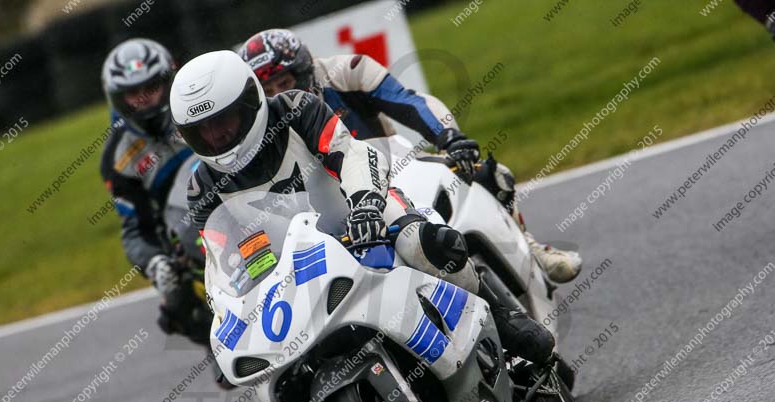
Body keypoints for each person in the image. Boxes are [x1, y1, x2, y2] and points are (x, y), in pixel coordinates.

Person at [170, 50, 556, 368]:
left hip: (359, 211)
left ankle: (502, 321)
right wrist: (232, 302)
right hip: (295, 265)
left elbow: (350, 154)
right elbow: (223, 259)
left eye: (224, 121)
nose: (216, 135)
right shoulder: (202, 187)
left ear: (249, 102)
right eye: (202, 130)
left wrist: (366, 205)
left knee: (421, 242)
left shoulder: (297, 109)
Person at [237, 29, 582, 284]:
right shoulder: (258, 126)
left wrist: (450, 137)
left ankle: (530, 248)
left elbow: (409, 101)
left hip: (397, 168)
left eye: (283, 82)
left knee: (492, 174)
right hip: (331, 210)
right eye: (268, 91)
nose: (281, 94)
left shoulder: (347, 71)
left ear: (303, 69)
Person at [100, 38, 229, 387]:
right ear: (118, 98)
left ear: (168, 81)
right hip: (186, 229)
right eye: (133, 94)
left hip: (239, 186)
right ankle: (220, 342)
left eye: (152, 88)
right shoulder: (119, 157)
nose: (144, 100)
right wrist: (155, 262)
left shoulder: (200, 100)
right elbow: (134, 229)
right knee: (173, 303)